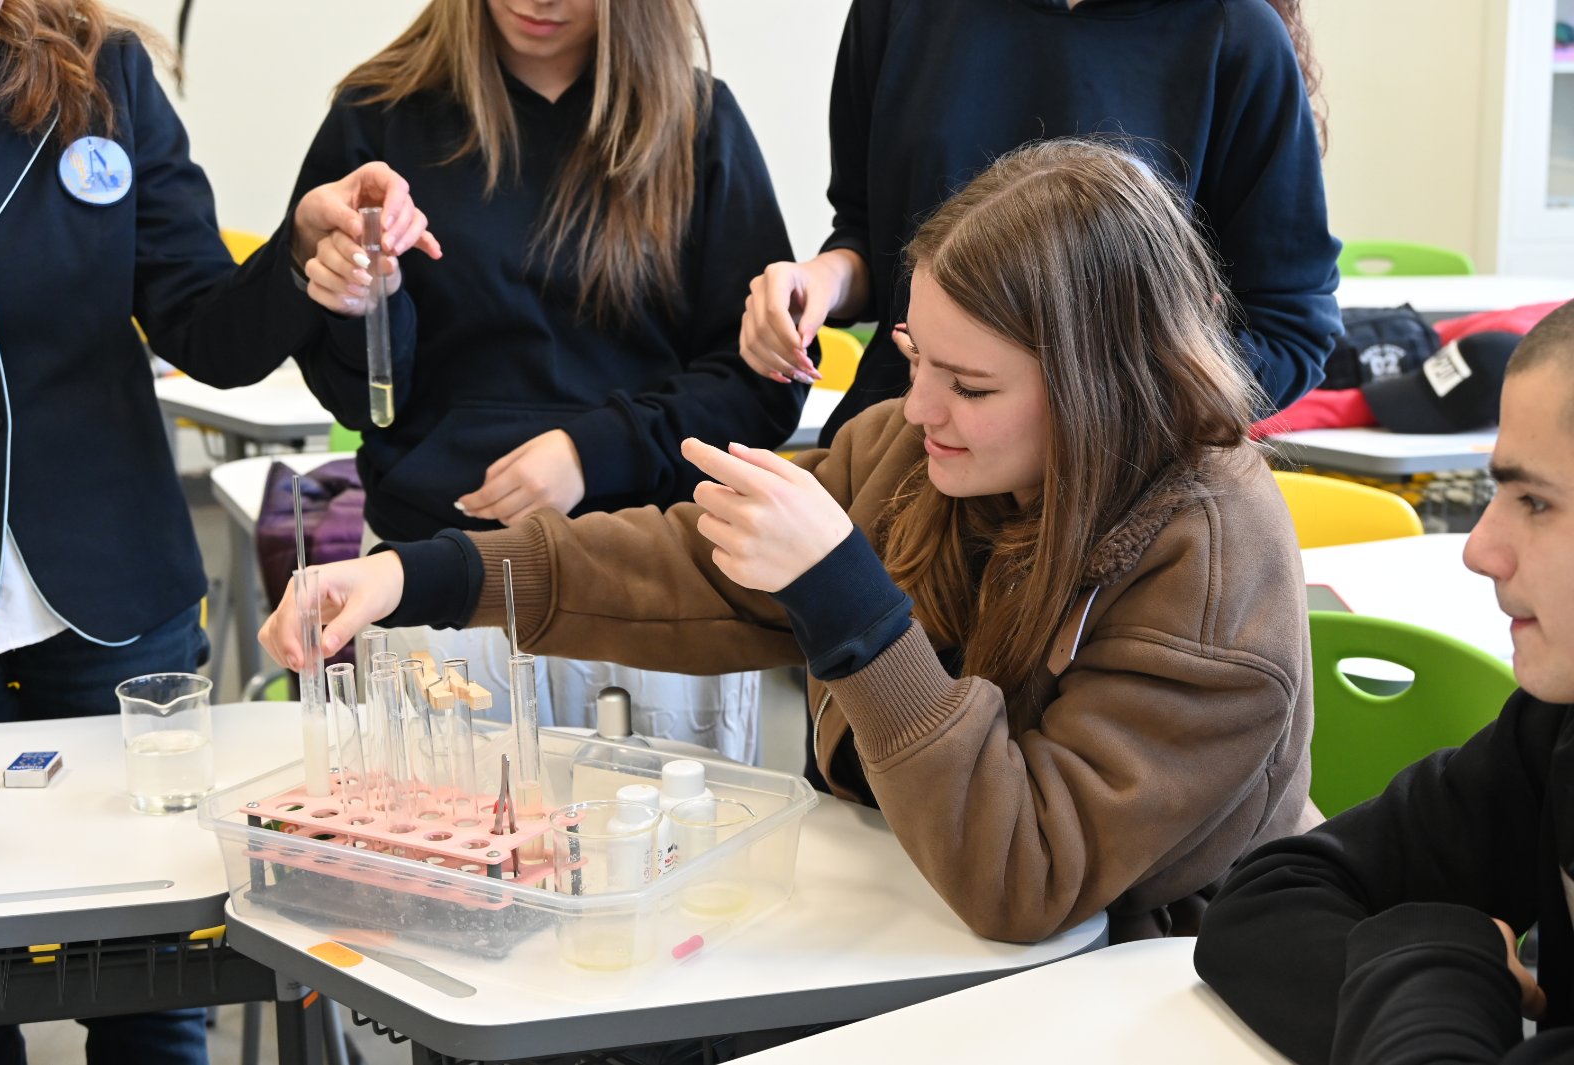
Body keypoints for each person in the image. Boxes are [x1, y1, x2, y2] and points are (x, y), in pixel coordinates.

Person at [261, 138, 1318, 944]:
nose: (919, 409)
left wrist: (851, 606)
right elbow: (691, 564)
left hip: (1147, 981)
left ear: (1102, 387)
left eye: (971, 385)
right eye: (914, 356)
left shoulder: (1208, 561)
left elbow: (1026, 877)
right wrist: (418, 575)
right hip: (923, 924)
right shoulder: (921, 454)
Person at [0, 0, 434, 1061]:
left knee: (157, 967)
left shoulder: (100, 75)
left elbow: (206, 327)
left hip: (112, 591)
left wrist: (300, 250)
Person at [282, 0, 803, 756]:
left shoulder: (698, 123)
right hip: (436, 579)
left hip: (650, 582)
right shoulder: (379, 116)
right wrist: (370, 305)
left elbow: (764, 385)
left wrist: (596, 453)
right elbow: (359, 400)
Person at [1194, 301, 1574, 1063]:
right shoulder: (1553, 726)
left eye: (1536, 501)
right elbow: (1267, 900)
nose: (1479, 548)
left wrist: (1434, 962)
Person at [738, 0, 1342, 441]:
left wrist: (1095, 402)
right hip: (902, 450)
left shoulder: (1234, 34)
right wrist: (822, 280)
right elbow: (872, 236)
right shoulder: (898, 9)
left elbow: (1289, 329)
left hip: (1107, 495)